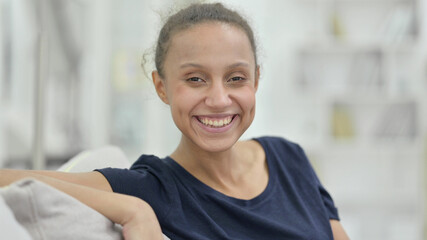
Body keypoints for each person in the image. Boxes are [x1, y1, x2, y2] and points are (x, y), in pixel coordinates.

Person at [0, 2, 349, 240]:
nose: (218, 99)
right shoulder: (151, 188)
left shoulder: (289, 157)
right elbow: (10, 180)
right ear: (161, 87)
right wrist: (131, 207)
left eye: (236, 78)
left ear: (256, 80)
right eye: (195, 79)